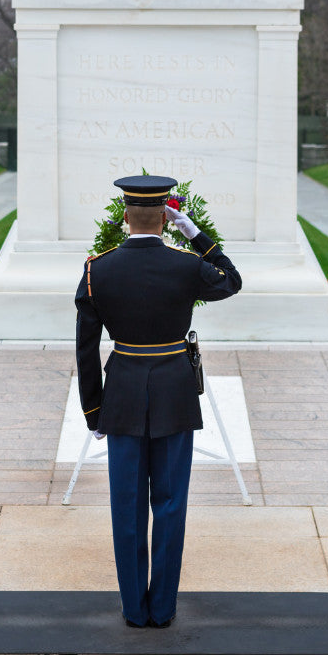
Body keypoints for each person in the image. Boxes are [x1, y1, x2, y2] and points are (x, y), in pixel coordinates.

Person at [75, 174, 241, 628]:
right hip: (174, 393)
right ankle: (163, 609)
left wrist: (94, 409)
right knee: (169, 504)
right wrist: (196, 234)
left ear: (125, 216)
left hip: (123, 395)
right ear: (167, 220)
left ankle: (134, 608)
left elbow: (86, 349)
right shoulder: (187, 265)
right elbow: (231, 281)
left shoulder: (97, 269)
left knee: (126, 505)